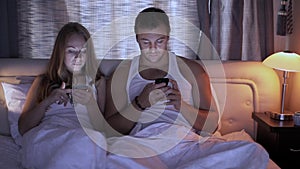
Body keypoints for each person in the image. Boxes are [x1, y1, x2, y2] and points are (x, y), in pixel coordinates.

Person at [105, 7, 269, 169]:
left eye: (159, 41)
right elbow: (110, 131)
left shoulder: (192, 70)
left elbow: (212, 126)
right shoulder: (122, 73)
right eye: (146, 42)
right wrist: (140, 103)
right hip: (142, 143)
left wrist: (181, 105)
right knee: (113, 158)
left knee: (253, 151)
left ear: (168, 37)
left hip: (184, 141)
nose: (153, 49)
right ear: (136, 39)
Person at [18, 22, 107, 169]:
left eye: (83, 51)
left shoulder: (98, 81)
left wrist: (90, 104)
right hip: (49, 134)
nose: (78, 57)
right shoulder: (43, 82)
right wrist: (48, 101)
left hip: (82, 135)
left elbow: (102, 128)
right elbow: (23, 128)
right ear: (61, 53)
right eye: (71, 51)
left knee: (92, 140)